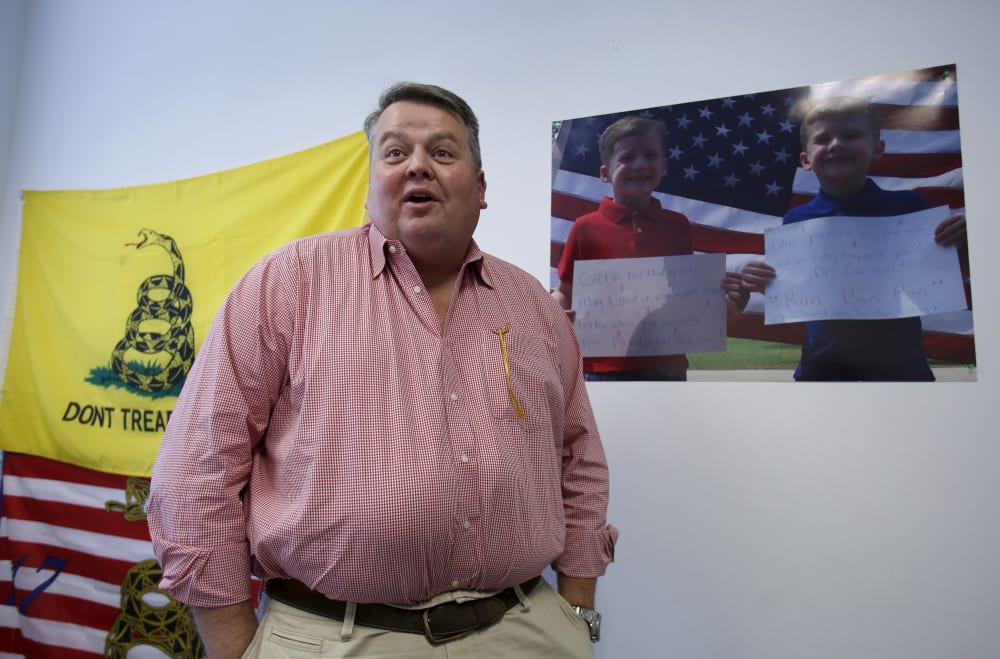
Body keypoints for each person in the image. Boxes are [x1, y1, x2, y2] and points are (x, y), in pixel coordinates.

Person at [148, 82, 617, 658]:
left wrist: (577, 613)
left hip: (526, 630)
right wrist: (233, 649)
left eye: (443, 152)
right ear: (370, 183)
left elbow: (581, 460)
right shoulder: (287, 284)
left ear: (481, 187)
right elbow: (194, 472)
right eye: (395, 153)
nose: (418, 165)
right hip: (334, 636)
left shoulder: (534, 308)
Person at [740, 96, 968, 381]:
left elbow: (949, 277)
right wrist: (763, 279)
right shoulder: (796, 223)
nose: (836, 144)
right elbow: (795, 292)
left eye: (850, 135)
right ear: (805, 160)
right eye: (823, 139)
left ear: (878, 149)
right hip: (821, 372)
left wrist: (968, 242)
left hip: (900, 371)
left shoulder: (910, 209)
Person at [552, 115, 748, 381]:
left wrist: (728, 306)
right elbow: (565, 292)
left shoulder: (677, 226)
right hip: (602, 368)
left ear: (664, 166)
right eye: (627, 158)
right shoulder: (585, 228)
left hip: (667, 365)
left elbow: (686, 297)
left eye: (650, 155)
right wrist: (554, 314)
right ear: (605, 173)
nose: (640, 164)